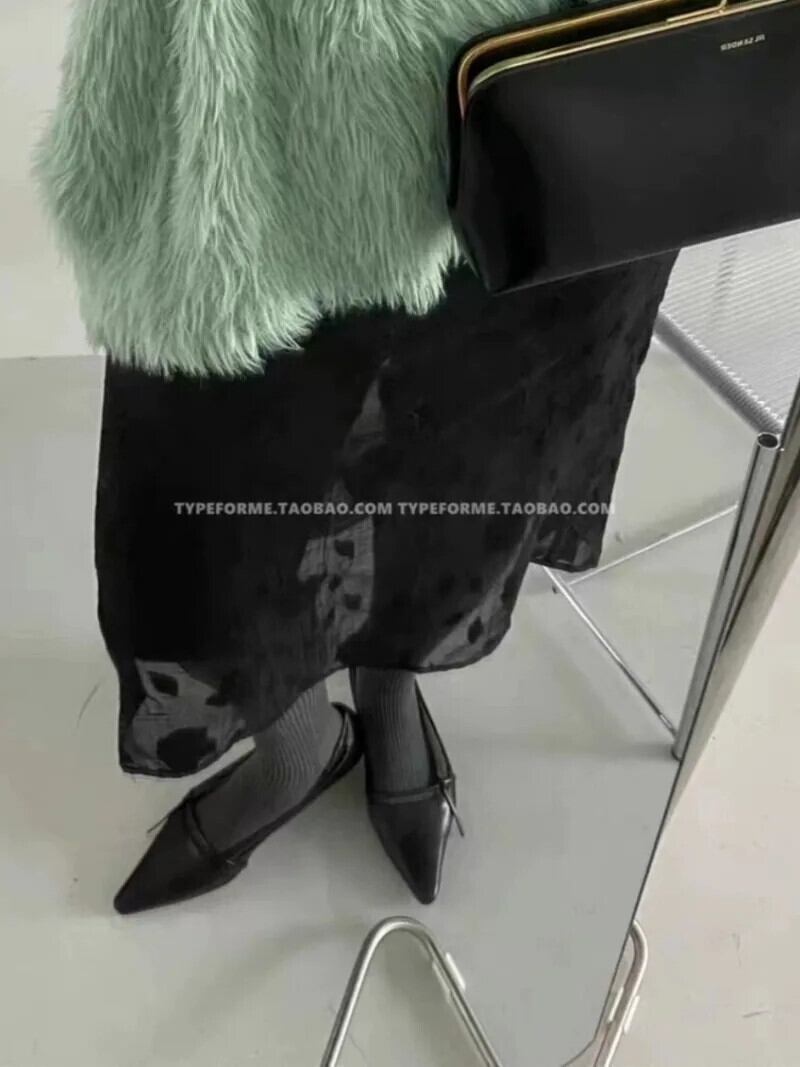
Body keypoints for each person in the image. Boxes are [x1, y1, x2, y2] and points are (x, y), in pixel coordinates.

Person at [36, 0, 677, 914]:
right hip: (263, 81)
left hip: (564, 72)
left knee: (469, 444)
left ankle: (389, 691)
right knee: (211, 507)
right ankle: (298, 750)